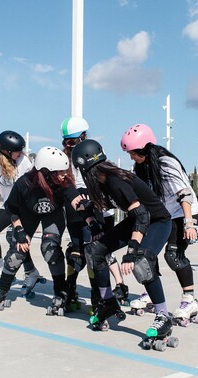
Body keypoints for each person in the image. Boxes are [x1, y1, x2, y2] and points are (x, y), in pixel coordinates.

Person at [72, 139, 174, 341]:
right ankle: (108, 302)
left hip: (158, 222)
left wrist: (131, 250)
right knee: (95, 250)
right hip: (138, 220)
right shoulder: (103, 180)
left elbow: (143, 216)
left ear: (86, 168)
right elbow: (109, 205)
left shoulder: (115, 181)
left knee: (141, 262)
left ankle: (163, 316)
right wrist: (88, 207)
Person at [120, 123, 198, 326]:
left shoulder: (166, 163)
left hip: (184, 213)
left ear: (144, 149)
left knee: (173, 255)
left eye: (132, 153)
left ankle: (189, 299)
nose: (131, 157)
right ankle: (150, 294)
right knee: (147, 253)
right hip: (161, 216)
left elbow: (185, 194)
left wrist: (189, 224)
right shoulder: (140, 167)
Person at [0, 146, 84, 313]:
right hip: (27, 214)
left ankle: (60, 293)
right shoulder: (24, 183)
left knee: (50, 249)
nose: (64, 175)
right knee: (17, 252)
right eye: (60, 172)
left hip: (53, 215)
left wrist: (84, 206)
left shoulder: (63, 182)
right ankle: (1, 292)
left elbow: (75, 198)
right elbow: (11, 208)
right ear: (46, 172)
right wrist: (19, 231)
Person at [60, 116, 128, 313]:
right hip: (94, 207)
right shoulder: (92, 150)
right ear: (83, 135)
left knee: (75, 251)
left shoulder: (65, 159)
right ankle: (97, 300)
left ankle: (69, 293)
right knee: (96, 254)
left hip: (73, 208)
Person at [0, 130, 42, 296]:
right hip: (9, 206)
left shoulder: (24, 162)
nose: (21, 153)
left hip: (26, 207)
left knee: (15, 239)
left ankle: (30, 272)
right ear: (6, 151)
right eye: (18, 150)